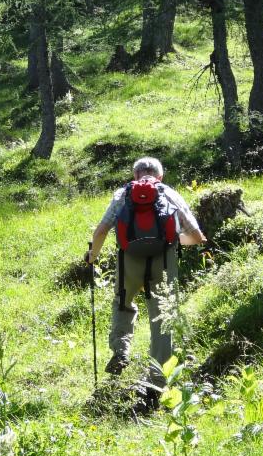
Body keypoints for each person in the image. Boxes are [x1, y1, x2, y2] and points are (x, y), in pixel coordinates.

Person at [84, 157, 206, 385]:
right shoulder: (170, 194)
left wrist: (93, 257)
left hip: (128, 260)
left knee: (123, 303)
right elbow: (197, 237)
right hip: (164, 262)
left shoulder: (123, 195)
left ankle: (121, 351)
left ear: (135, 176)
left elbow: (101, 231)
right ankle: (158, 379)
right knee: (162, 316)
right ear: (160, 177)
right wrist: (172, 241)